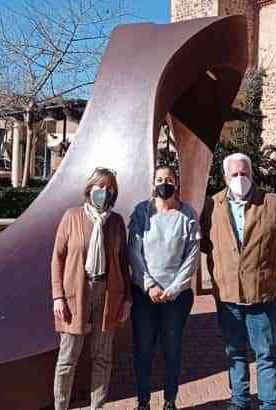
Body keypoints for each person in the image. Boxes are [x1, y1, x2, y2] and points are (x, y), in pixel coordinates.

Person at [200, 152, 276, 410]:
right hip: (228, 294)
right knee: (235, 353)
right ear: (225, 176)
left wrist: (264, 265)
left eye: (244, 173)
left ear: (252, 174)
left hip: (261, 293)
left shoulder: (271, 202)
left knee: (265, 354)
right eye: (235, 174)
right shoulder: (212, 205)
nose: (240, 178)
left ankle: (269, 403)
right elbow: (206, 244)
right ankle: (239, 400)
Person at [51, 167, 131, 410]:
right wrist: (58, 296)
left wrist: (127, 299)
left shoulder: (116, 222)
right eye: (100, 186)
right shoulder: (72, 217)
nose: (104, 192)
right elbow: (58, 257)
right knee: (67, 358)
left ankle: (97, 406)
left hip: (107, 293)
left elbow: (123, 261)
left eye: (109, 188)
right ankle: (61, 406)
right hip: (77, 292)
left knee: (102, 358)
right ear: (90, 189)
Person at [128, 165, 200, 410]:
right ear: (153, 183)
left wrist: (175, 289)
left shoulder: (188, 215)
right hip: (145, 295)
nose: (164, 183)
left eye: (169, 179)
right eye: (159, 179)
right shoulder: (142, 212)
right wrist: (149, 286)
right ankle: (143, 401)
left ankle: (170, 400)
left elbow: (191, 257)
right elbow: (134, 252)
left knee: (172, 350)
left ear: (176, 184)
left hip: (175, 298)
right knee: (144, 350)